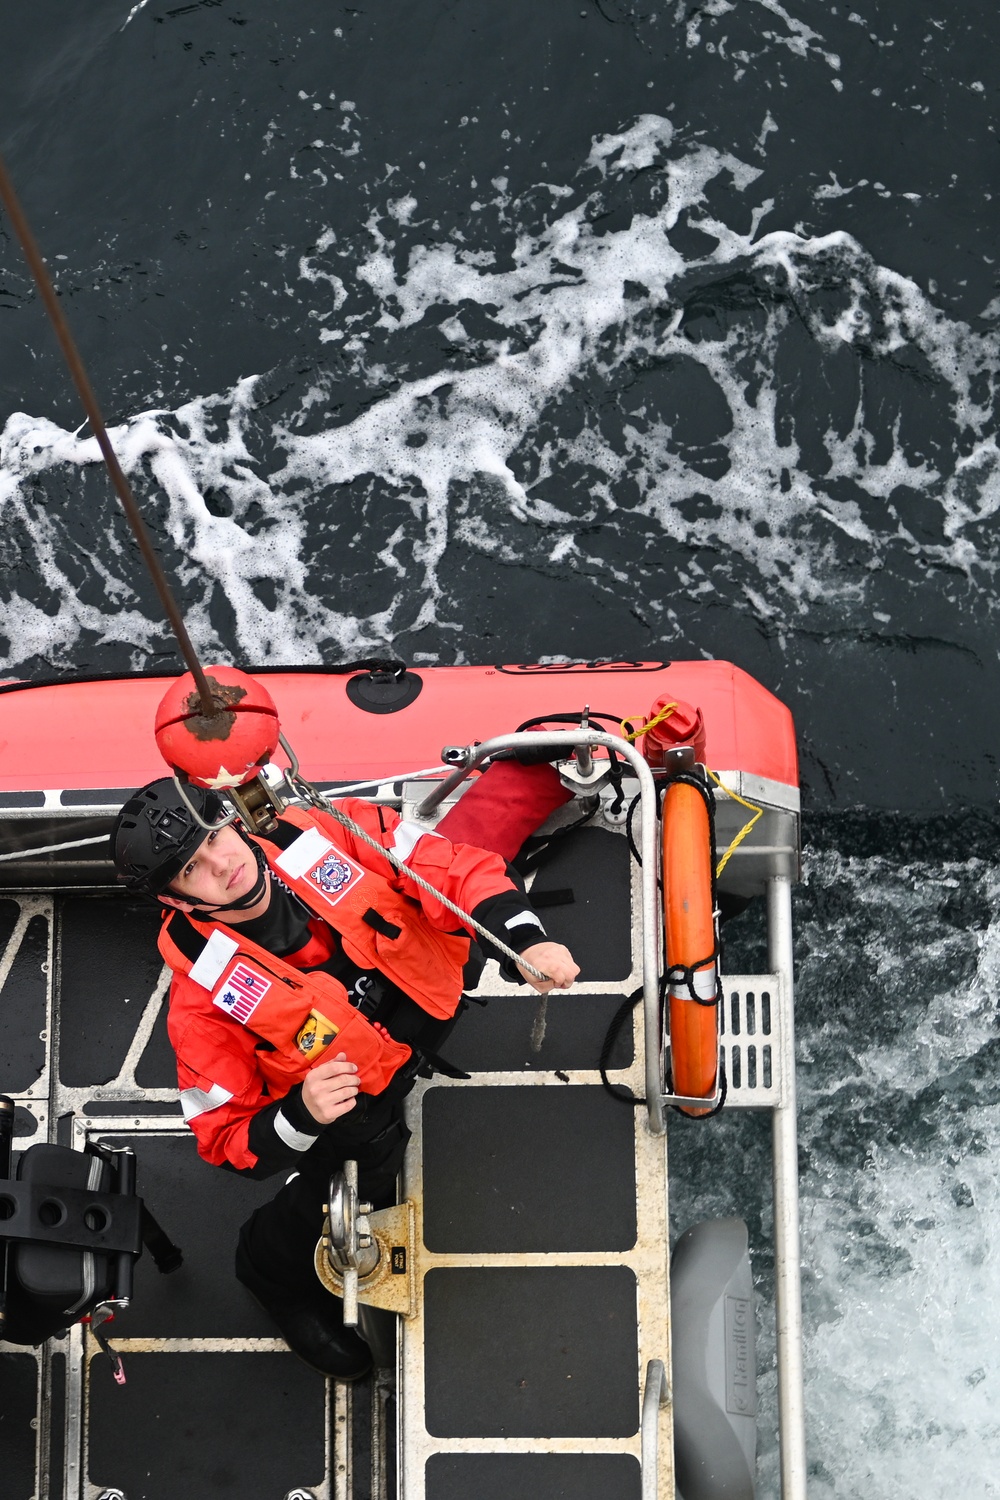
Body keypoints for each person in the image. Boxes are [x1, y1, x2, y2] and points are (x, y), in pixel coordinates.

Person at [112, 770, 579, 1381]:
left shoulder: (325, 829)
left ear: (231, 819)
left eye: (215, 837)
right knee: (357, 1173)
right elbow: (222, 1138)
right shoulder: (202, 1007)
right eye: (192, 870)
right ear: (177, 899)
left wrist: (524, 940)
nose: (221, 864)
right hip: (349, 1104)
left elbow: (452, 866)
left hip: (422, 1016)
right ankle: (268, 1268)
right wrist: (301, 1114)